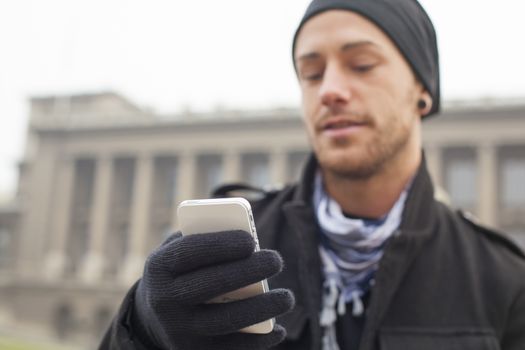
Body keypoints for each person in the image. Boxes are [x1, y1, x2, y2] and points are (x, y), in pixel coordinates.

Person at [100, 0, 525, 349]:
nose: (330, 90)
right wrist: (144, 330)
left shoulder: (503, 278)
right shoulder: (227, 254)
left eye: (361, 65)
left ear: (423, 91)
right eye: (312, 73)